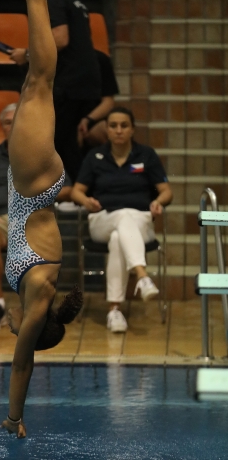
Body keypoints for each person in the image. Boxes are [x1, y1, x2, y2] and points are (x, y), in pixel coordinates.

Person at [0, 0, 83, 439]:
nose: (14, 332)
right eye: (23, 333)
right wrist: (14, 417)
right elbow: (22, 364)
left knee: (36, 85)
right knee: (38, 84)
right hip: (33, 189)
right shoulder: (37, 301)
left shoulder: (34, 291)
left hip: (27, 187)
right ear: (37, 328)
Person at [0, 103, 73, 332]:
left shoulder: (44, 153)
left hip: (33, 218)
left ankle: (38, 309)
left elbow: (67, 190)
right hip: (0, 218)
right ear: (2, 127)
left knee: (42, 236)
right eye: (7, 122)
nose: (13, 126)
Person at [71, 107, 173, 333]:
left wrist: (159, 202)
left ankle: (114, 311)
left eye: (124, 126)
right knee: (122, 216)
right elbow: (76, 191)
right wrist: (86, 201)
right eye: (113, 126)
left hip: (140, 221)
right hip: (103, 219)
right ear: (106, 130)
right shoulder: (95, 156)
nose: (118, 130)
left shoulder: (146, 155)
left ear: (132, 129)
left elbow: (166, 191)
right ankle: (142, 275)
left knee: (119, 237)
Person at [9, 0, 102, 183]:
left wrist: (27, 55)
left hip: (69, 82)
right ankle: (84, 189)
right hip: (86, 80)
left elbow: (60, 38)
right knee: (69, 140)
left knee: (58, 141)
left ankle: (83, 190)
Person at [77, 49, 119, 150]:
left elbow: (108, 102)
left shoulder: (99, 59)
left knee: (107, 130)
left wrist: (87, 120)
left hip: (91, 119)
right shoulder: (48, 60)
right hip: (60, 118)